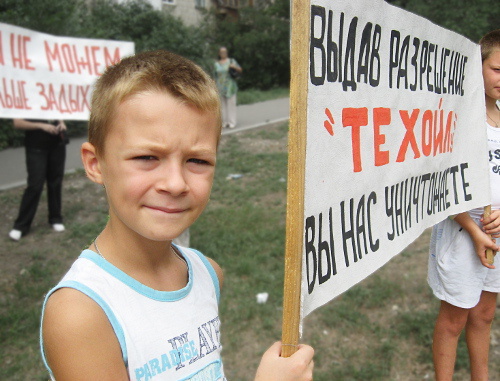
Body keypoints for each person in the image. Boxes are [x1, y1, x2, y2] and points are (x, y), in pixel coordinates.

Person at [40, 50, 313, 381]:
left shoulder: (207, 274)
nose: (175, 183)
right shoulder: (81, 314)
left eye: (197, 161)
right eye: (147, 156)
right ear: (95, 164)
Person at [428, 29, 500, 381]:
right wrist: (473, 230)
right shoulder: (460, 119)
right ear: (479, 67)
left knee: (485, 314)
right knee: (455, 318)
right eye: (497, 69)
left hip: (497, 235)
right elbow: (443, 184)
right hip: (462, 233)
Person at [8, 119, 68, 241]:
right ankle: (21, 225)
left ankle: (55, 218)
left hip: (57, 145)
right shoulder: (25, 100)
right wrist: (41, 126)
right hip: (35, 147)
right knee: (35, 185)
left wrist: (62, 123)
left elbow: (60, 111)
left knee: (55, 183)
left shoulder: (53, 98)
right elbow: (17, 123)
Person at [214, 46, 242, 129]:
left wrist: (234, 67)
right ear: (219, 53)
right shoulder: (216, 64)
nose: (224, 54)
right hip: (220, 87)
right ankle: (225, 122)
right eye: (222, 52)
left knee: (231, 104)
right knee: (222, 105)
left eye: (225, 52)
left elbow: (240, 70)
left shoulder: (231, 61)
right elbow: (215, 76)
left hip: (230, 86)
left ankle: (232, 122)